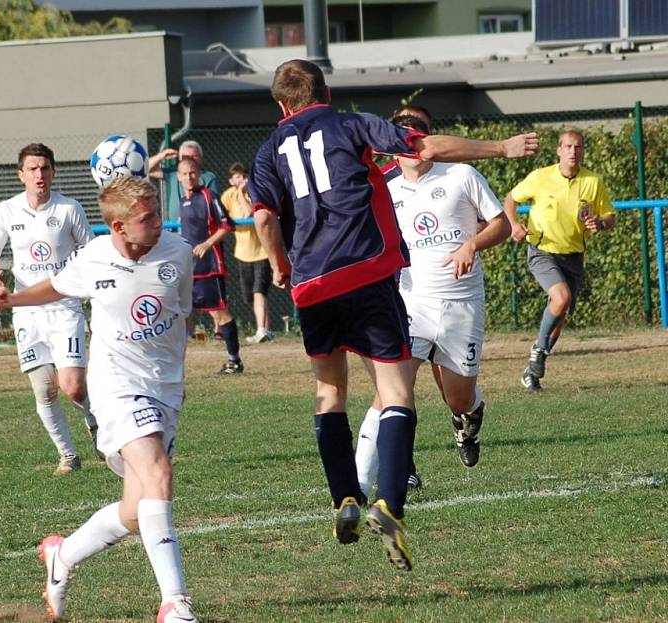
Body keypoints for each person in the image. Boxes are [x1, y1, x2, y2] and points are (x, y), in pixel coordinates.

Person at [248, 58, 538, 571]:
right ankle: (390, 505)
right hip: (367, 272)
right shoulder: (351, 122)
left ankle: (344, 498)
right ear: (327, 91)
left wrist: (278, 263)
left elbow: (265, 216)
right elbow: (422, 145)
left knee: (330, 391)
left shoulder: (269, 150)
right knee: (395, 391)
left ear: (280, 105)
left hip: (312, 283)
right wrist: (502, 147)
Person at [0, 176, 199, 623]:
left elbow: (183, 313)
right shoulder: (97, 256)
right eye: (147, 218)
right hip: (115, 385)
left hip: (165, 387)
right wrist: (12, 301)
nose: (158, 223)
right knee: (158, 472)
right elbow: (58, 285)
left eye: (157, 212)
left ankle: (63, 555)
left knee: (138, 511)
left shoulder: (178, 252)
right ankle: (174, 603)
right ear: (118, 227)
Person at [355, 108, 511, 498]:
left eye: (418, 136)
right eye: (402, 138)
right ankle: (368, 482)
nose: (412, 146)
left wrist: (472, 244)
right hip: (411, 303)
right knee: (392, 392)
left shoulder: (461, 175)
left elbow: (501, 224)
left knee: (457, 396)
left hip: (462, 306)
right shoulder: (383, 189)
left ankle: (469, 417)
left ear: (431, 141)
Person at [0, 143, 98, 474]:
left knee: (72, 386)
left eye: (44, 168)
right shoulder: (7, 210)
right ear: (21, 175)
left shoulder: (70, 209)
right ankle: (68, 456)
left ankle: (94, 420)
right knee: (44, 389)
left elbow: (90, 252)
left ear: (53, 172)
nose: (39, 174)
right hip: (27, 311)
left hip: (64, 306)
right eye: (32, 169)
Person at [504, 128, 614, 392]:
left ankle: (533, 369)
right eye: (567, 147)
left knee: (560, 313)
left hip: (573, 255)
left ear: (583, 151)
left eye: (577, 147)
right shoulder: (541, 177)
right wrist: (514, 225)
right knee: (561, 298)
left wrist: (600, 222)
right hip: (542, 250)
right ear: (558, 151)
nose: (573, 152)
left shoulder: (593, 181)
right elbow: (511, 198)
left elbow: (610, 216)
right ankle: (538, 351)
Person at [177, 156, 244, 374]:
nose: (189, 177)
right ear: (179, 177)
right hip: (190, 267)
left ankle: (234, 360)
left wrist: (207, 244)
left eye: (192, 172)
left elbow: (226, 226)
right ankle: (174, 362)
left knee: (219, 313)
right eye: (185, 173)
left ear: (199, 174)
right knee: (180, 311)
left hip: (210, 267)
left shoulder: (208, 196)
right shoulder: (182, 201)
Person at [220, 162, 275, 344]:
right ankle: (267, 328)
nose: (241, 179)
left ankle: (261, 330)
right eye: (237, 177)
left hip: (261, 252)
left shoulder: (253, 193)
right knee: (249, 296)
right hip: (243, 253)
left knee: (260, 291)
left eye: (243, 176)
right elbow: (222, 215)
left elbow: (248, 213)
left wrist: (243, 194)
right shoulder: (227, 196)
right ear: (230, 180)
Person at [149, 140, 221, 222]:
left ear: (201, 158)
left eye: (194, 156)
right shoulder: (172, 174)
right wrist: (162, 156)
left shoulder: (208, 177)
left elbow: (213, 206)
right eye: (185, 157)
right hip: (175, 229)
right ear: (179, 159)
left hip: (198, 227)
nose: (189, 178)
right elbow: (147, 169)